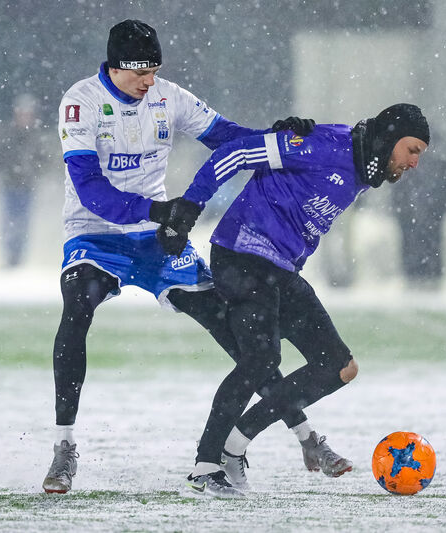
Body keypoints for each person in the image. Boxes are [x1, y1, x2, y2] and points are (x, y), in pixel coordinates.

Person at [42, 19, 344, 494]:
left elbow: (229, 137)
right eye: (141, 72)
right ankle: (64, 448)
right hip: (95, 236)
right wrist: (159, 208)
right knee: (77, 308)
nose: (149, 81)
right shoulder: (80, 103)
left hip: (158, 241)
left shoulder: (168, 97)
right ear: (116, 67)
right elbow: (90, 190)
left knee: (238, 335)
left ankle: (305, 435)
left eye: (155, 70)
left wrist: (280, 136)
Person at [154, 103, 431, 497]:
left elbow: (281, 151)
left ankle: (235, 445)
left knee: (339, 367)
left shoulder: (361, 158)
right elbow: (236, 151)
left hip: (279, 270)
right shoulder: (325, 146)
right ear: (388, 140)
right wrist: (189, 209)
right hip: (242, 255)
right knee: (260, 360)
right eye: (413, 150)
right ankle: (206, 465)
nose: (415, 162)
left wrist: (278, 135)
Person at [0, 93, 45, 267]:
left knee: (23, 221)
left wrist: (32, 172)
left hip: (27, 187)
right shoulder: (7, 133)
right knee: (9, 220)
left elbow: (43, 160)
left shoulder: (35, 137)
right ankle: (9, 255)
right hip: (10, 185)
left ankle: (19, 257)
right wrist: (8, 170)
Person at [391, 152, 446, 289]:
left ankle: (421, 273)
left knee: (424, 243)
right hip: (419, 216)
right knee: (422, 243)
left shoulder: (409, 164)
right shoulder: (437, 165)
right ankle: (419, 272)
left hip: (425, 216)